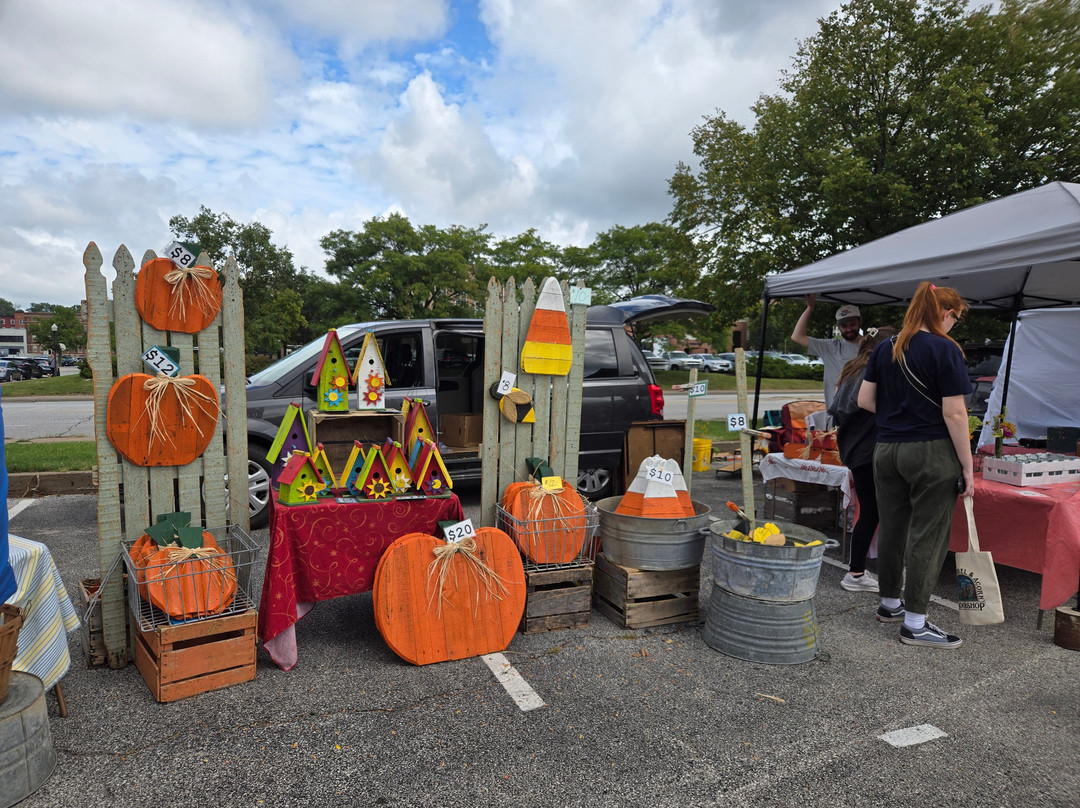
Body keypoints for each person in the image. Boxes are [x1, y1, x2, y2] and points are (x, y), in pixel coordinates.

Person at [857, 282, 973, 649]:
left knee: (893, 526)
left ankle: (890, 603)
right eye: (956, 317)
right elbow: (954, 412)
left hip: (887, 449)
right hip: (929, 451)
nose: (954, 324)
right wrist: (968, 467)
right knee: (929, 534)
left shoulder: (885, 347)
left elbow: (864, 400)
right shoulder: (945, 348)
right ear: (945, 312)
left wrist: (898, 416)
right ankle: (916, 622)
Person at [827, 326, 896, 593]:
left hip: (856, 450)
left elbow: (839, 408)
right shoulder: (873, 372)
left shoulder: (853, 368)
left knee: (870, 511)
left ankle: (856, 571)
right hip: (869, 451)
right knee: (875, 511)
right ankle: (856, 573)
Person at [791, 294, 862, 409]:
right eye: (844, 326)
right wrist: (809, 308)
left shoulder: (872, 345)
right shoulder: (830, 346)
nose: (849, 329)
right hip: (837, 413)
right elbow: (797, 336)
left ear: (860, 321)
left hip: (865, 413)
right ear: (838, 327)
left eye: (852, 324)